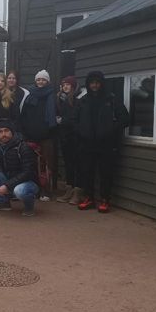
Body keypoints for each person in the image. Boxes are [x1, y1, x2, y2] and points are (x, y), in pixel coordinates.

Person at [74, 71, 130, 213]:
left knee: (106, 173)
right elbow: (73, 120)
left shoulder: (111, 100)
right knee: (87, 172)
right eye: (92, 83)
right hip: (87, 143)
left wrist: (111, 130)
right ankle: (89, 198)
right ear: (88, 84)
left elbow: (125, 118)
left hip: (106, 144)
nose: (95, 85)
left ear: (102, 83)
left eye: (97, 82)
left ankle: (105, 199)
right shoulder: (83, 101)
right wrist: (81, 132)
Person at [0, 118, 40, 216]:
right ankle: (3, 203)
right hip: (8, 179)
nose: (3, 134)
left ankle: (29, 207)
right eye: (0, 131)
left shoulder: (23, 147)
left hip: (28, 182)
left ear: (12, 132)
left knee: (19, 191)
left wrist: (7, 186)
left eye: (6, 131)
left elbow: (28, 172)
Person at [19, 69, 57, 199]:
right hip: (30, 136)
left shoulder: (52, 96)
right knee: (32, 164)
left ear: (47, 81)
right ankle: (34, 189)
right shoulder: (29, 96)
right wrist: (25, 132)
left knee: (47, 165)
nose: (41, 82)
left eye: (43, 79)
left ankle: (46, 190)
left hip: (46, 136)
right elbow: (23, 116)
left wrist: (49, 131)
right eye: (39, 79)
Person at [55, 76, 81, 204]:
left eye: (68, 85)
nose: (65, 87)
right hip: (64, 138)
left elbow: (74, 119)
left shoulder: (77, 100)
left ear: (73, 86)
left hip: (75, 138)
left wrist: (62, 121)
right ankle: (69, 190)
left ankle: (77, 192)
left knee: (77, 165)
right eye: (63, 84)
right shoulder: (61, 99)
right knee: (68, 165)